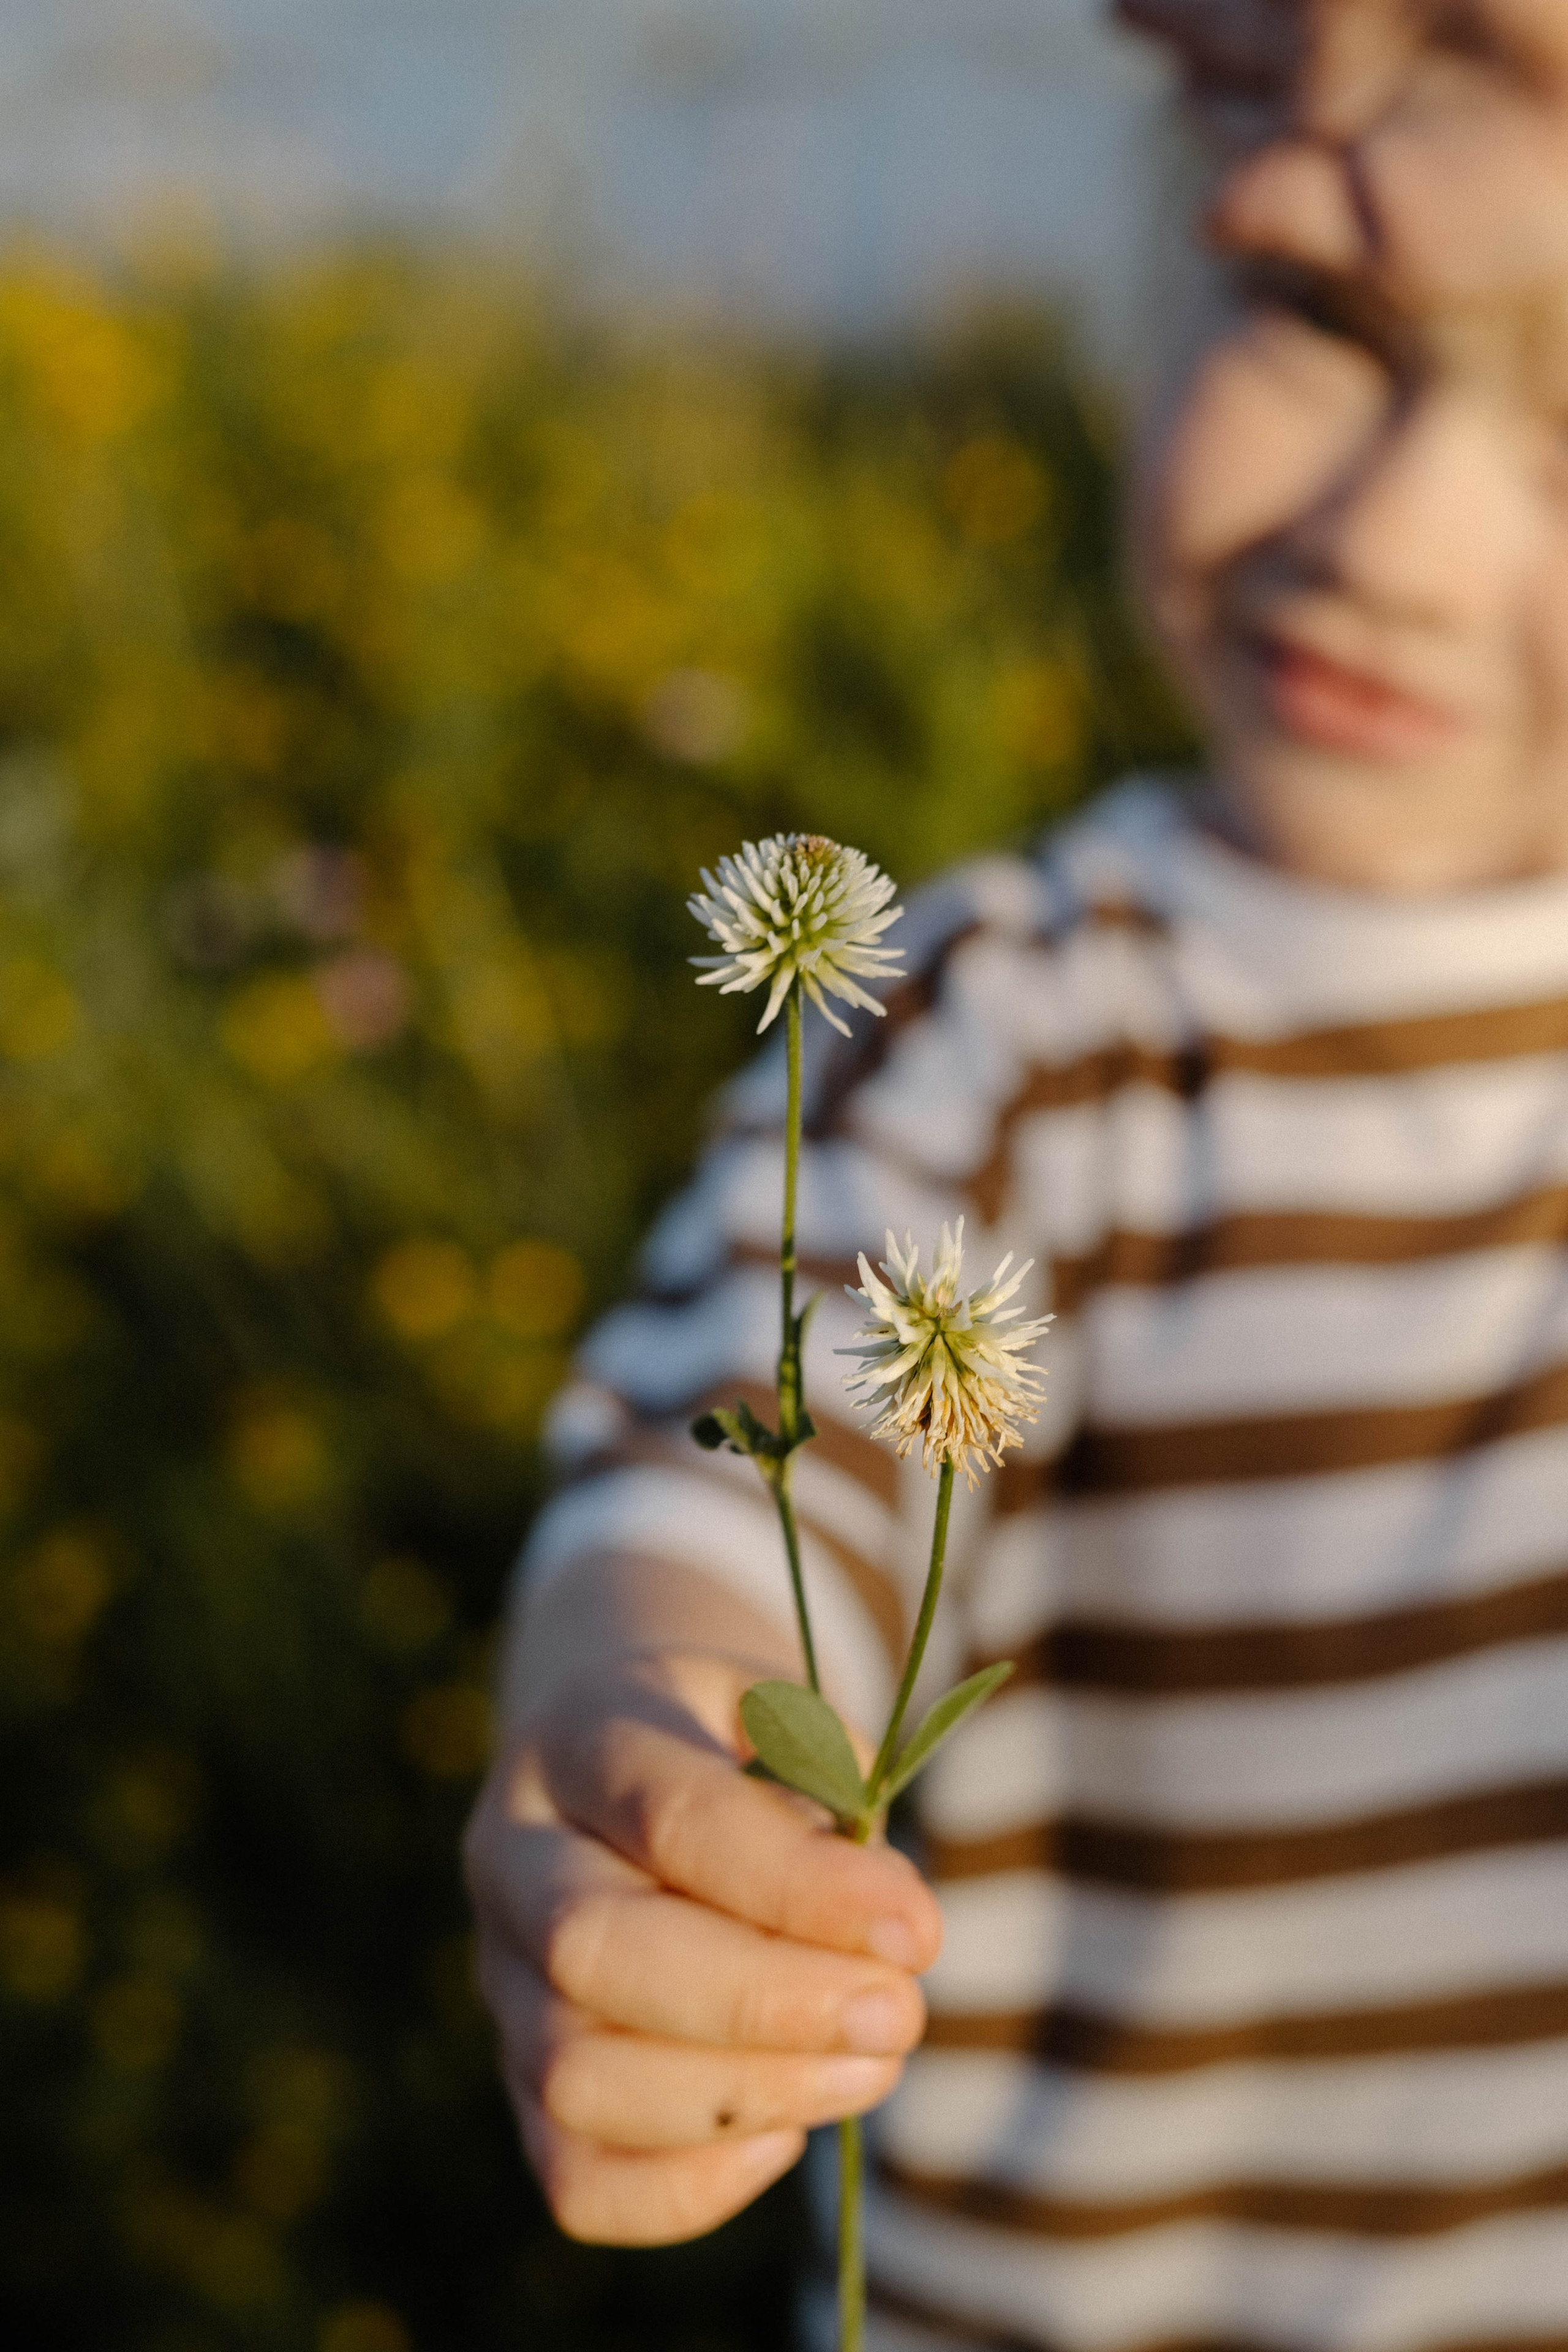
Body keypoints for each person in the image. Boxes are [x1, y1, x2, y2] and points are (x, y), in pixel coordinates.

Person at [464, 1, 1568, 2340]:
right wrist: (657, 1752)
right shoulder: (1011, 1025)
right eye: (1317, 323)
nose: (1398, 540)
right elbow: (730, 1472)